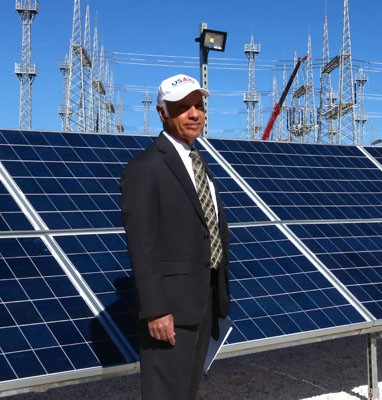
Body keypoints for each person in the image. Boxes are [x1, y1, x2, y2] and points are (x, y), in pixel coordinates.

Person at [121, 73, 231, 400]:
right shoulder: (146, 167)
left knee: (186, 391)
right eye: (182, 107)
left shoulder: (198, 162)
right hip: (170, 309)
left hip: (203, 300)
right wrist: (156, 309)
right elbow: (143, 244)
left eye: (198, 105)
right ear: (162, 113)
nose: (194, 114)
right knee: (166, 394)